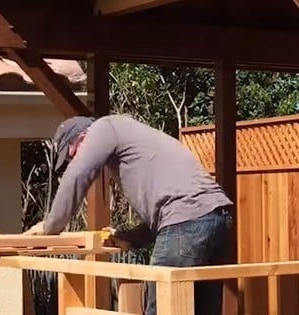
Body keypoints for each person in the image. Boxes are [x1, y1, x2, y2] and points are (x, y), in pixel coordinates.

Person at [23, 114, 234, 315]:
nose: (73, 159)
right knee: (202, 309)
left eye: (71, 153)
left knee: (162, 308)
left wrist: (50, 226)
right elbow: (173, 212)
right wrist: (132, 238)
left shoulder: (103, 127)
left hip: (188, 221)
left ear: (82, 137)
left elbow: (79, 173)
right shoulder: (135, 138)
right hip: (217, 217)